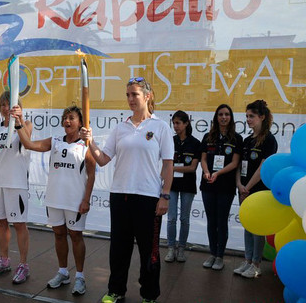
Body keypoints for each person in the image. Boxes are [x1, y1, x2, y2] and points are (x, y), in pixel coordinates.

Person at [80, 77, 174, 303]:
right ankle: (116, 290)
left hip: (149, 197)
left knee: (148, 251)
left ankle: (149, 295)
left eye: (135, 94)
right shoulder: (120, 128)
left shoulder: (160, 127)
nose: (131, 99)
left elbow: (168, 164)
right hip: (120, 195)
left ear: (147, 96)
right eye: (128, 95)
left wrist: (165, 196)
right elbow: (103, 160)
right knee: (119, 249)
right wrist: (90, 142)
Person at [18, 105, 95, 295]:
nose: (67, 121)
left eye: (72, 118)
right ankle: (63, 272)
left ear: (80, 122)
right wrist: (19, 123)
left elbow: (92, 175)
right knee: (59, 234)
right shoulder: (55, 141)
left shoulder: (86, 144)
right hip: (54, 198)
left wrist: (86, 200)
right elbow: (29, 144)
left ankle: (80, 276)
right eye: (65, 118)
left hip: (75, 200)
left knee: (76, 236)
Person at [0, 91, 33, 284]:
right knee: (1, 223)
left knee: (19, 224)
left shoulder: (26, 124)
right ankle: (4, 260)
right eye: (3, 105)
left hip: (16, 183)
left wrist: (19, 119)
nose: (6, 108)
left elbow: (27, 142)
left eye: (9, 105)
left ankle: (23, 264)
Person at [234, 100, 277, 278]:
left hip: (258, 190)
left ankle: (256, 264)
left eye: (251, 116)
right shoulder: (247, 140)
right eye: (246, 116)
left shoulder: (269, 140)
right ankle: (247, 260)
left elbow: (262, 168)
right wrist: (239, 185)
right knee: (247, 225)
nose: (248, 120)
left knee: (256, 228)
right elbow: (239, 166)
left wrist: (247, 188)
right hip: (243, 188)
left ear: (262, 117)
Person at [200, 104, 243, 271]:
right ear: (216, 117)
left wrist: (217, 173)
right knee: (211, 221)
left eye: (226, 114)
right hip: (208, 184)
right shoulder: (208, 137)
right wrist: (206, 172)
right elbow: (203, 159)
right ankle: (212, 253)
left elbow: (235, 163)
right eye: (220, 114)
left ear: (231, 117)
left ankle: (220, 256)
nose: (223, 117)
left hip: (225, 186)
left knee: (221, 221)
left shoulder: (236, 139)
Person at [164, 110, 201, 263]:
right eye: (173, 123)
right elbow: (165, 163)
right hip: (171, 184)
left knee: (184, 219)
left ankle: (182, 249)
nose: (175, 126)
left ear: (186, 124)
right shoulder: (169, 141)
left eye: (178, 123)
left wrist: (172, 168)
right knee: (171, 218)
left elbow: (192, 168)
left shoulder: (195, 143)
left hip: (187, 185)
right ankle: (171, 248)